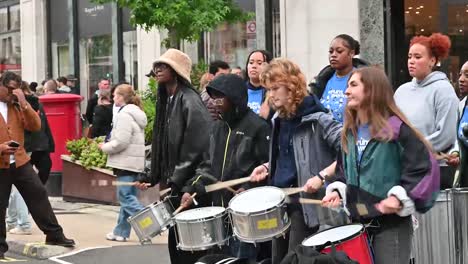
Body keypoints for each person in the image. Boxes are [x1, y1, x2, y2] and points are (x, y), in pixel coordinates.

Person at [321, 66, 434, 264]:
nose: (346, 91)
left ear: (372, 90)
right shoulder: (349, 133)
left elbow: (423, 170)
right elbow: (342, 172)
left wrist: (400, 199)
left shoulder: (398, 129)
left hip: (392, 225)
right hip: (358, 223)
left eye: (353, 85)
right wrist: (338, 192)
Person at [250, 59, 342, 264]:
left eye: (275, 88)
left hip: (306, 206)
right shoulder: (279, 120)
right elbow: (289, 158)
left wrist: (321, 176)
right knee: (278, 259)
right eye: (268, 90)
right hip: (280, 202)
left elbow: (349, 152)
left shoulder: (318, 119)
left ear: (291, 87)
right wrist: (267, 167)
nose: (271, 95)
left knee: (294, 260)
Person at [181, 74, 270, 261]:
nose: (215, 103)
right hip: (219, 212)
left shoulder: (258, 127)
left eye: (220, 98)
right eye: (213, 99)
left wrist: (248, 189)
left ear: (235, 98)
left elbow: (269, 169)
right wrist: (191, 189)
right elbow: (207, 166)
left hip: (245, 215)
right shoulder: (217, 128)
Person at [136, 49, 211, 264]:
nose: (158, 69)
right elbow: (162, 144)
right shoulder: (167, 99)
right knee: (176, 246)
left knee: (191, 251)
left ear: (176, 71)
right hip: (175, 188)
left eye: (164, 65)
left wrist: (181, 183)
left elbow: (197, 150)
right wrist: (151, 175)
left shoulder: (189, 100)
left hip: (189, 188)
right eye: (157, 65)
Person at [0, 71, 75, 259]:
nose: (12, 93)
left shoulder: (16, 105)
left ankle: (54, 235)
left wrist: (24, 103)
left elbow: (35, 126)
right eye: (9, 89)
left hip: (20, 160)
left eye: (15, 89)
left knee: (38, 194)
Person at [394, 33, 459, 189]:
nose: (411, 61)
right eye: (410, 56)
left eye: (418, 57)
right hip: (404, 168)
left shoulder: (443, 90)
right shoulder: (401, 91)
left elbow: (446, 135)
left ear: (433, 60)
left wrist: (412, 150)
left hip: (435, 169)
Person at [99, 84, 146, 242]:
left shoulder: (124, 114)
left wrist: (104, 147)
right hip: (133, 162)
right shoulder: (136, 113)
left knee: (125, 197)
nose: (112, 98)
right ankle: (120, 232)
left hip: (125, 162)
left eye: (115, 95)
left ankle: (152, 221)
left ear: (121, 97)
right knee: (129, 197)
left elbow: (121, 142)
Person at [310, 34, 368, 123]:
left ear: (351, 53)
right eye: (331, 51)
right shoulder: (323, 79)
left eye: (339, 51)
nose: (333, 55)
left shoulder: (362, 78)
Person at [446, 60, 468, 187]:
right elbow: (459, 138)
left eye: (467, 75)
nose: (461, 79)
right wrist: (455, 153)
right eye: (460, 74)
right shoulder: (461, 105)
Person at [245, 50, 273, 118]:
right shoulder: (239, 90)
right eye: (251, 62)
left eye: (259, 63)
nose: (254, 66)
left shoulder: (273, 92)